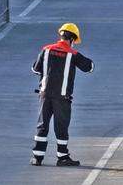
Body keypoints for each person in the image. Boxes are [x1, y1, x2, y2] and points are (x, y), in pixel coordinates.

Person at [31, 22, 93, 167]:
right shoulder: (73, 54)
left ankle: (37, 157)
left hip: (44, 94)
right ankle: (62, 157)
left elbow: (35, 69)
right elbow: (89, 67)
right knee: (61, 126)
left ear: (61, 35)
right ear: (72, 39)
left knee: (42, 124)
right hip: (62, 97)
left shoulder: (46, 49)